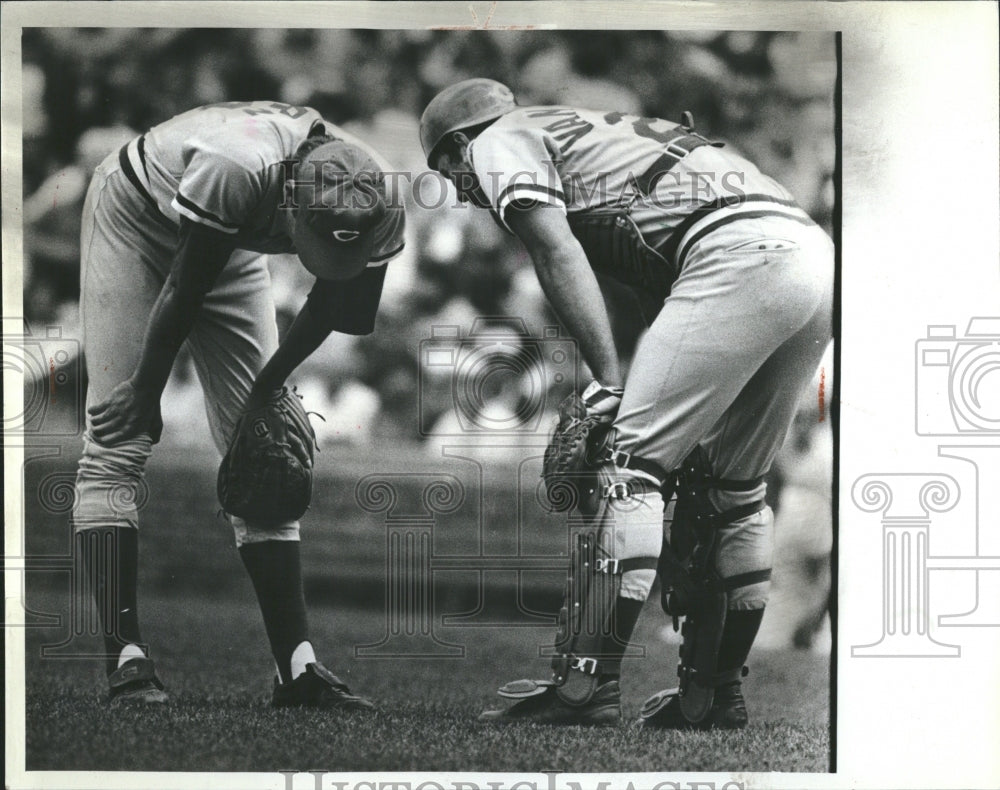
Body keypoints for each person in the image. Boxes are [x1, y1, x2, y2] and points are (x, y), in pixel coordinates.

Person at [419, 79, 832, 728]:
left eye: (445, 170)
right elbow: (659, 285)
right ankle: (711, 697)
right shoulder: (589, 131)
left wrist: (607, 384)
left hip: (733, 252)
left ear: (456, 146)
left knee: (628, 469)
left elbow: (555, 251)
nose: (459, 188)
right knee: (733, 491)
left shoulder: (501, 138)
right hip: (808, 253)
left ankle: (584, 688)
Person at [74, 100, 404, 707]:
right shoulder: (238, 164)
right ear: (292, 206)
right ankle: (126, 656)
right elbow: (183, 286)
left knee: (268, 452)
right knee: (117, 437)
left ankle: (297, 670)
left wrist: (263, 393)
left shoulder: (379, 192)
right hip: (136, 213)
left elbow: (340, 307)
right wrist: (147, 387)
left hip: (229, 237)